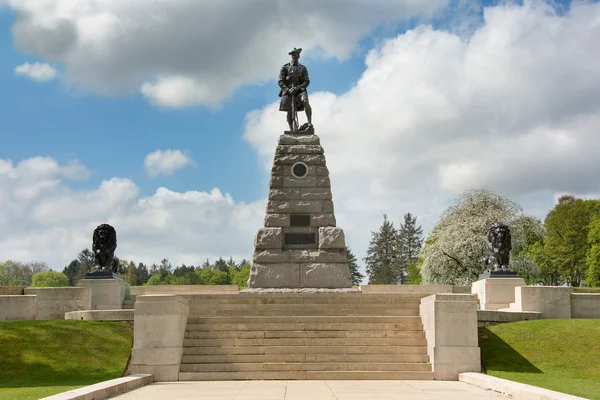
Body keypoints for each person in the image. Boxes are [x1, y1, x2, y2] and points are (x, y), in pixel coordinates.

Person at [278, 47, 312, 131]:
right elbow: (280, 81)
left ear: (299, 56)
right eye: (292, 55)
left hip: (300, 90)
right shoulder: (285, 67)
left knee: (305, 101)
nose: (294, 56)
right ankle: (291, 129)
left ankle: (309, 123)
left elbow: (306, 81)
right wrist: (288, 89)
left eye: (296, 55)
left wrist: (299, 88)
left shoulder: (303, 68)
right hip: (288, 91)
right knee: (289, 109)